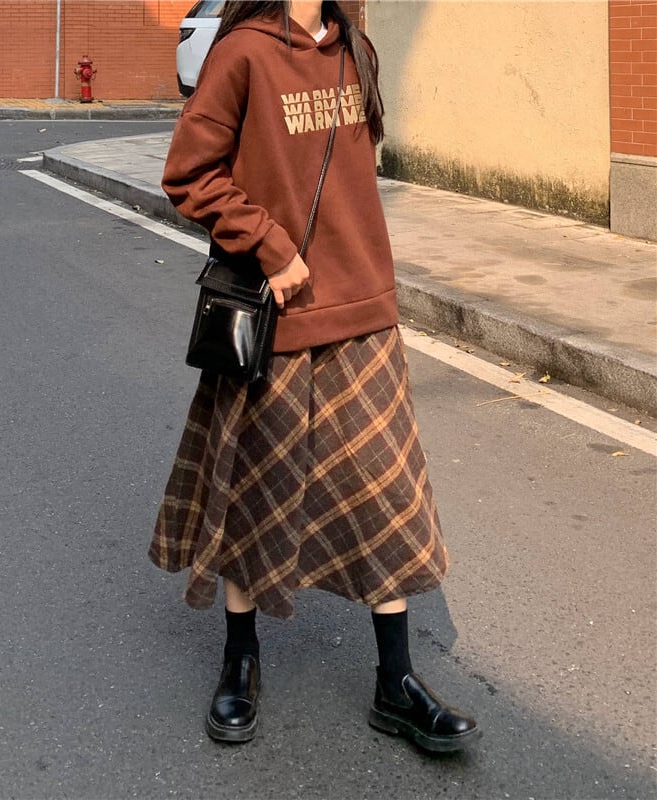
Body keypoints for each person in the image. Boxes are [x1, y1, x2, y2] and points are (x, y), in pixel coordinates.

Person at [149, 0, 480, 752]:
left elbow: (354, 182)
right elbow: (189, 173)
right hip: (279, 322)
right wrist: (271, 246)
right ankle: (240, 660)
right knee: (253, 493)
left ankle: (395, 681)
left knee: (386, 497)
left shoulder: (355, 51)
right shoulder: (243, 54)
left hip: (363, 311)